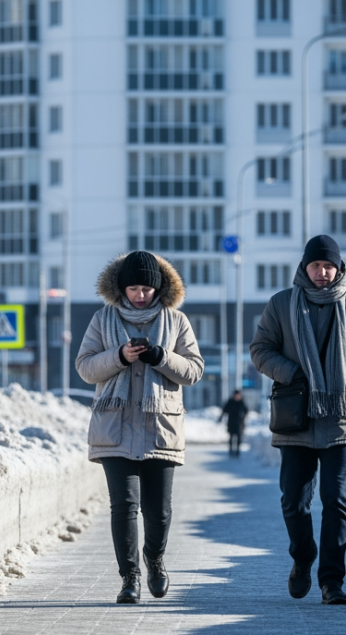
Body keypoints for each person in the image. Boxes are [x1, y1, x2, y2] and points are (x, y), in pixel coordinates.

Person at [249, 235, 346, 606]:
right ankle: (303, 556)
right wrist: (291, 371)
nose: (322, 273)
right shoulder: (281, 304)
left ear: (340, 267)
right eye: (316, 266)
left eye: (329, 266)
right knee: (293, 502)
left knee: (336, 501)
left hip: (341, 420)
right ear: (304, 267)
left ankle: (332, 581)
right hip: (296, 419)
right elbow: (260, 350)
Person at [75, 251, 204, 604]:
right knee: (124, 506)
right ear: (122, 288)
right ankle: (129, 578)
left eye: (146, 288)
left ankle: (155, 560)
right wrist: (120, 356)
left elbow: (193, 370)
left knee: (159, 511)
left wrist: (160, 357)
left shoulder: (176, 321)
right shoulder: (103, 319)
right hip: (114, 429)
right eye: (133, 288)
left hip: (160, 427)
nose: (140, 295)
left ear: (158, 288)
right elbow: (85, 368)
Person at [218, 390, 249, 457]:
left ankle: (237, 451)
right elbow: (224, 410)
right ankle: (231, 451)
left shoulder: (241, 402)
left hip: (239, 423)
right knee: (231, 437)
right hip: (231, 422)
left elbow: (246, 411)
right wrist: (221, 418)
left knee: (238, 437)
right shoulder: (230, 402)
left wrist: (243, 417)